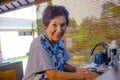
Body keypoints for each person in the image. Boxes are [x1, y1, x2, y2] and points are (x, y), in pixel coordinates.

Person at [22, 5, 98, 80]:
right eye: (54, 25)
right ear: (46, 27)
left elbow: (61, 64)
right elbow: (53, 76)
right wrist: (84, 76)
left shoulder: (59, 43)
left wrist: (76, 69)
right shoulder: (39, 44)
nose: (59, 30)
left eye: (63, 25)